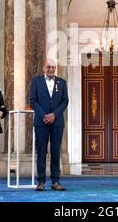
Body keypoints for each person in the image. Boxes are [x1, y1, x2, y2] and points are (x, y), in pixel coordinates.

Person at [30, 59, 69, 191]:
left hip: (57, 122)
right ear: (43, 68)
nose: (51, 69)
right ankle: (41, 181)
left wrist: (54, 115)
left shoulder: (62, 82)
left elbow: (65, 101)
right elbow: (33, 101)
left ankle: (55, 181)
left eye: (53, 67)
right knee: (41, 151)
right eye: (48, 67)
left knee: (55, 152)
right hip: (41, 122)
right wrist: (44, 115)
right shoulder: (36, 81)